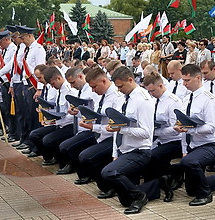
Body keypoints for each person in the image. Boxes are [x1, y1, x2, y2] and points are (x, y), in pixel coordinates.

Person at [101, 67, 171, 214]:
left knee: (109, 172)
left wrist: (121, 130)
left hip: (139, 151)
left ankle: (140, 196)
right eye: (117, 87)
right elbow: (117, 127)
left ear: (131, 80)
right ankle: (158, 184)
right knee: (125, 200)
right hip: (124, 149)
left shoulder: (143, 100)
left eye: (121, 86)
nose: (119, 90)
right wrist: (115, 152)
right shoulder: (122, 98)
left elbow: (146, 133)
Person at [173, 64, 215, 206]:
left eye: (187, 80)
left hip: (211, 144)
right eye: (183, 80)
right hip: (194, 145)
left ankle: (205, 194)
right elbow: (185, 125)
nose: (184, 84)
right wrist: (185, 149)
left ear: (198, 78)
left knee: (189, 163)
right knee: (191, 190)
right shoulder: (186, 98)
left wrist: (189, 130)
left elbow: (211, 127)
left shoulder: (209, 99)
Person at [77, 67, 124, 199]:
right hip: (100, 134)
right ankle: (104, 183)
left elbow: (114, 126)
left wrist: (93, 127)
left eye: (94, 86)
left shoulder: (116, 96)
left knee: (86, 157)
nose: (93, 90)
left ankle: (109, 186)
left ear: (103, 81)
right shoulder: (100, 95)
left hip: (112, 137)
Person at [28, 67, 77, 167]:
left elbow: (73, 116)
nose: (52, 87)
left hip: (69, 125)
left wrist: (55, 121)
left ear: (58, 78)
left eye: (53, 84)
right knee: (34, 135)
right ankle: (51, 157)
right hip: (59, 123)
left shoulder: (70, 91)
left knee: (48, 140)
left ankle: (65, 163)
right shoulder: (59, 90)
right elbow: (56, 108)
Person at [58, 67, 100, 179]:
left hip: (90, 129)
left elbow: (95, 113)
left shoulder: (92, 91)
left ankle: (86, 174)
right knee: (67, 147)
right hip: (81, 127)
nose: (72, 86)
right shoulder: (81, 91)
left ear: (81, 77)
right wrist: (76, 112)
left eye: (73, 82)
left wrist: (79, 113)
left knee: (67, 147)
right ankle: (82, 173)